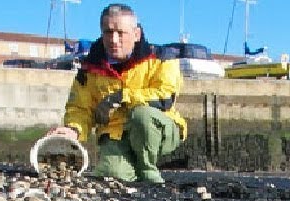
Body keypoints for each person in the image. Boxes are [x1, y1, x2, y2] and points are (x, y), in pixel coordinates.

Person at [45, 4, 186, 184]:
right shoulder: (89, 68)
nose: (114, 39)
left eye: (121, 32)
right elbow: (80, 108)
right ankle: (127, 164)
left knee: (141, 115)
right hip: (115, 133)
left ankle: (147, 169)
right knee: (111, 175)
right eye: (108, 32)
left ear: (136, 34)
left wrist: (122, 97)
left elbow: (165, 97)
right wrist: (73, 130)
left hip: (159, 128)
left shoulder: (162, 58)